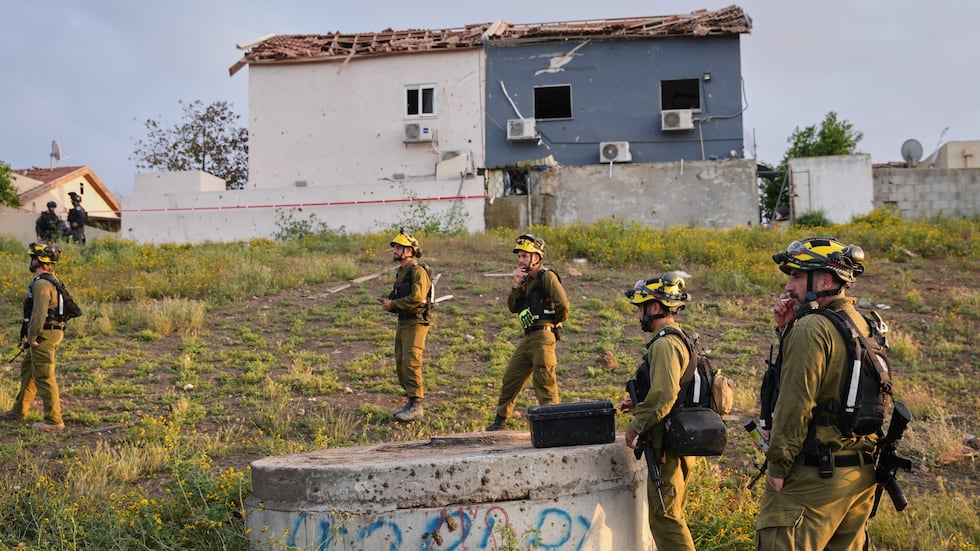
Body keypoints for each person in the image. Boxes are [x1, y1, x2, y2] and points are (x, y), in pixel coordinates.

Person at [756, 237, 877, 550]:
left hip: (814, 478)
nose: (788, 285)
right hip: (858, 475)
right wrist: (786, 329)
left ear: (825, 280)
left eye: (797, 275)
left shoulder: (812, 328)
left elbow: (795, 403)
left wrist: (777, 467)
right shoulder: (863, 323)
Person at [619, 272, 697, 550]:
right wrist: (639, 404)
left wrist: (636, 425)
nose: (639, 314)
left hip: (667, 449)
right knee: (669, 515)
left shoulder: (665, 343)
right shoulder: (676, 339)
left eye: (642, 307)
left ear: (654, 307)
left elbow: (665, 393)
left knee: (666, 518)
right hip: (672, 443)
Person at [486, 234, 569, 431]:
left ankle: (552, 427)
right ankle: (501, 420)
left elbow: (563, 304)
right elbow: (513, 307)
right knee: (511, 377)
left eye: (525, 256)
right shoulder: (525, 281)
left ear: (537, 257)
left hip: (543, 335)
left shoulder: (546, 276)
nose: (521, 260)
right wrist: (515, 286)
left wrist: (556, 321)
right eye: (520, 256)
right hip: (528, 336)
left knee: (545, 381)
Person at [0, 243, 68, 431]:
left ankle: (54, 420)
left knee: (44, 375)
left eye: (33, 257)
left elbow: (39, 313)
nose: (31, 261)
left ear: (39, 260)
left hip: (44, 335)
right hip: (49, 332)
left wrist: (32, 336)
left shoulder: (42, 283)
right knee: (29, 368)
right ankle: (18, 410)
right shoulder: (51, 279)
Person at [378, 229, 431, 422]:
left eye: (399, 247)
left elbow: (417, 297)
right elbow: (402, 296)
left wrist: (394, 304)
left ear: (410, 251)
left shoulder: (418, 270)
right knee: (401, 361)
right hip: (404, 320)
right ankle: (410, 400)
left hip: (416, 321)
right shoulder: (402, 272)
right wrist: (390, 304)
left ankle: (417, 404)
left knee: (411, 360)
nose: (395, 250)